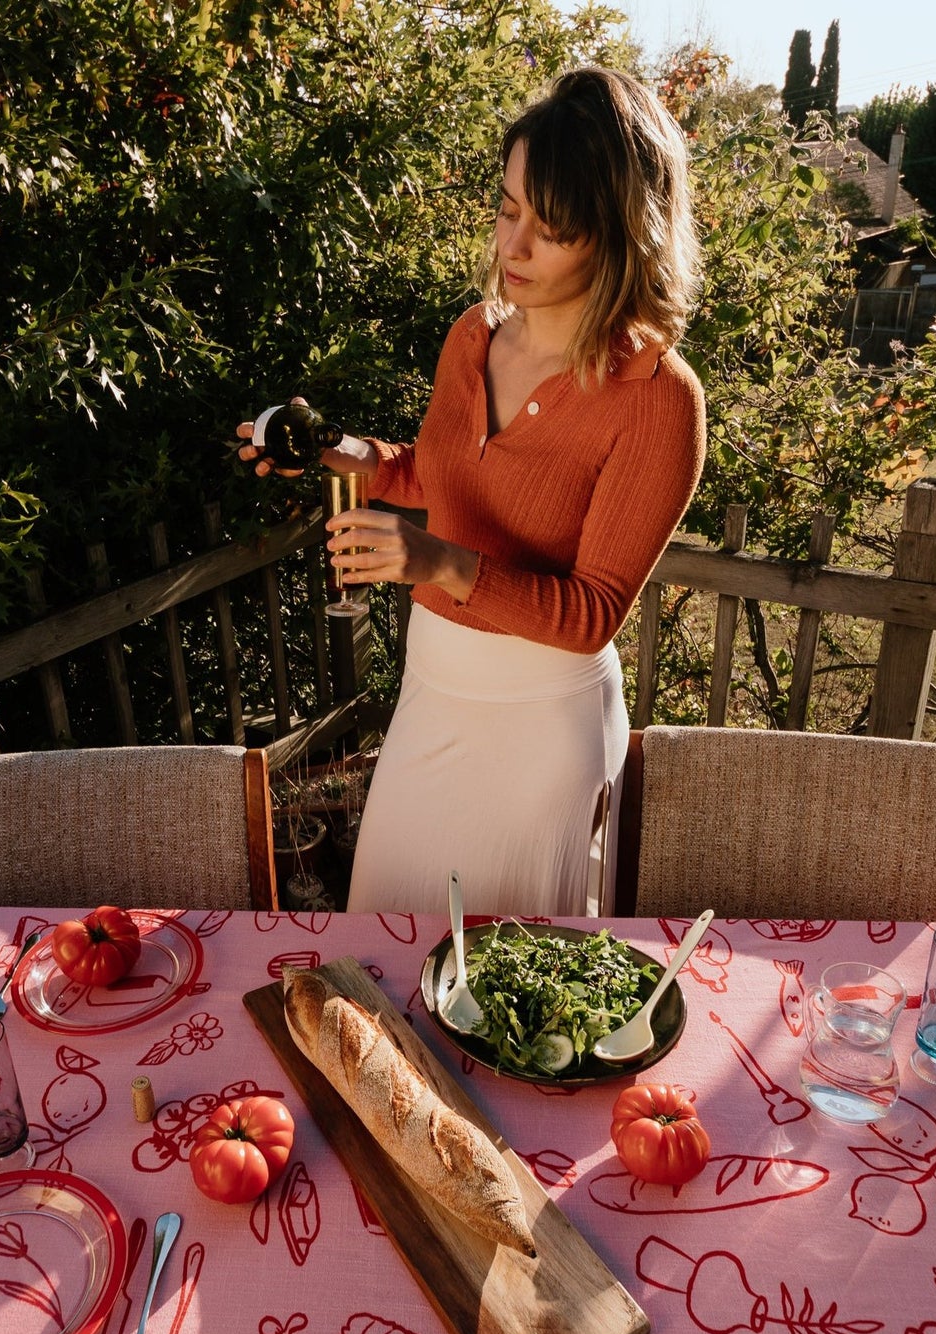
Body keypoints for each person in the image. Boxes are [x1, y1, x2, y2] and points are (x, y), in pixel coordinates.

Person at [239, 66, 705, 917]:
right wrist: (331, 450)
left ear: (619, 236)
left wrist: (440, 561)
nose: (512, 247)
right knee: (385, 930)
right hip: (433, 686)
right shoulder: (474, 334)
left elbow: (591, 613)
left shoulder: (657, 398)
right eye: (507, 208)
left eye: (551, 228)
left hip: (541, 726)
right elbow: (437, 469)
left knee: (505, 987)